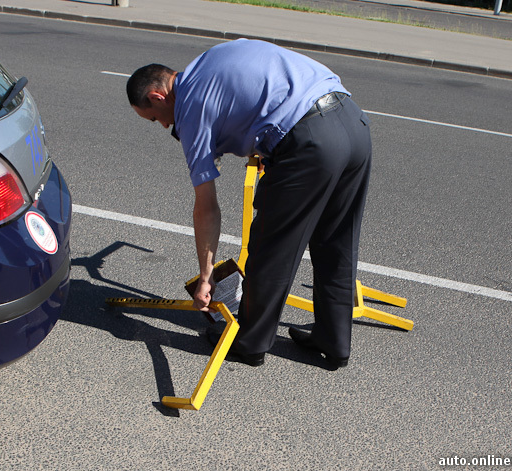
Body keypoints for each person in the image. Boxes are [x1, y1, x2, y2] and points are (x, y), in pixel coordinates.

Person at [126, 39, 372, 369]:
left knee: (271, 248)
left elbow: (206, 207)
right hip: (352, 123)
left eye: (155, 118)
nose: (164, 126)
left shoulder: (190, 110)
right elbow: (256, 93)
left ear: (158, 97)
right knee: (336, 242)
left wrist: (205, 276)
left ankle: (250, 342)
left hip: (309, 143)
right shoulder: (210, 60)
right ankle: (334, 340)